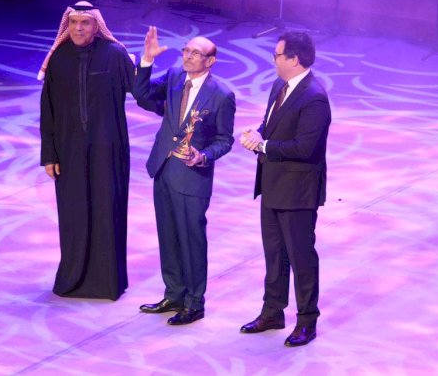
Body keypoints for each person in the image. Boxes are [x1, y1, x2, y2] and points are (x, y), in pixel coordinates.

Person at [38, 0, 157, 301]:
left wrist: (146, 62)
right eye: (74, 23)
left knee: (107, 210)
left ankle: (106, 282)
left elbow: (141, 93)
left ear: (96, 26)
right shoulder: (59, 59)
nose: (78, 28)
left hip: (108, 149)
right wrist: (49, 154)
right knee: (74, 213)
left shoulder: (114, 54)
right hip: (68, 151)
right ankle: (73, 278)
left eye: (85, 23)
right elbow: (47, 111)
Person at [133, 26, 236, 325]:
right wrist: (147, 61)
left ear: (210, 61)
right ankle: (174, 294)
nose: (188, 57)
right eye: (186, 51)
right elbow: (141, 94)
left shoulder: (222, 95)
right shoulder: (175, 76)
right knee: (168, 235)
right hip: (164, 168)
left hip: (192, 178)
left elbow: (224, 140)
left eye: (196, 53)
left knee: (191, 240)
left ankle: (194, 302)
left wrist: (204, 156)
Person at [239, 31, 331, 347]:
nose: (274, 60)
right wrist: (257, 135)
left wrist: (264, 145)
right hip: (273, 184)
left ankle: (307, 321)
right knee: (274, 254)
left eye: (278, 55)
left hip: (298, 192)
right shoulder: (280, 86)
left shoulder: (314, 97)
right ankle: (272, 312)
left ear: (295, 59)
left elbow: (305, 147)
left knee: (301, 257)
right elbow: (271, 126)